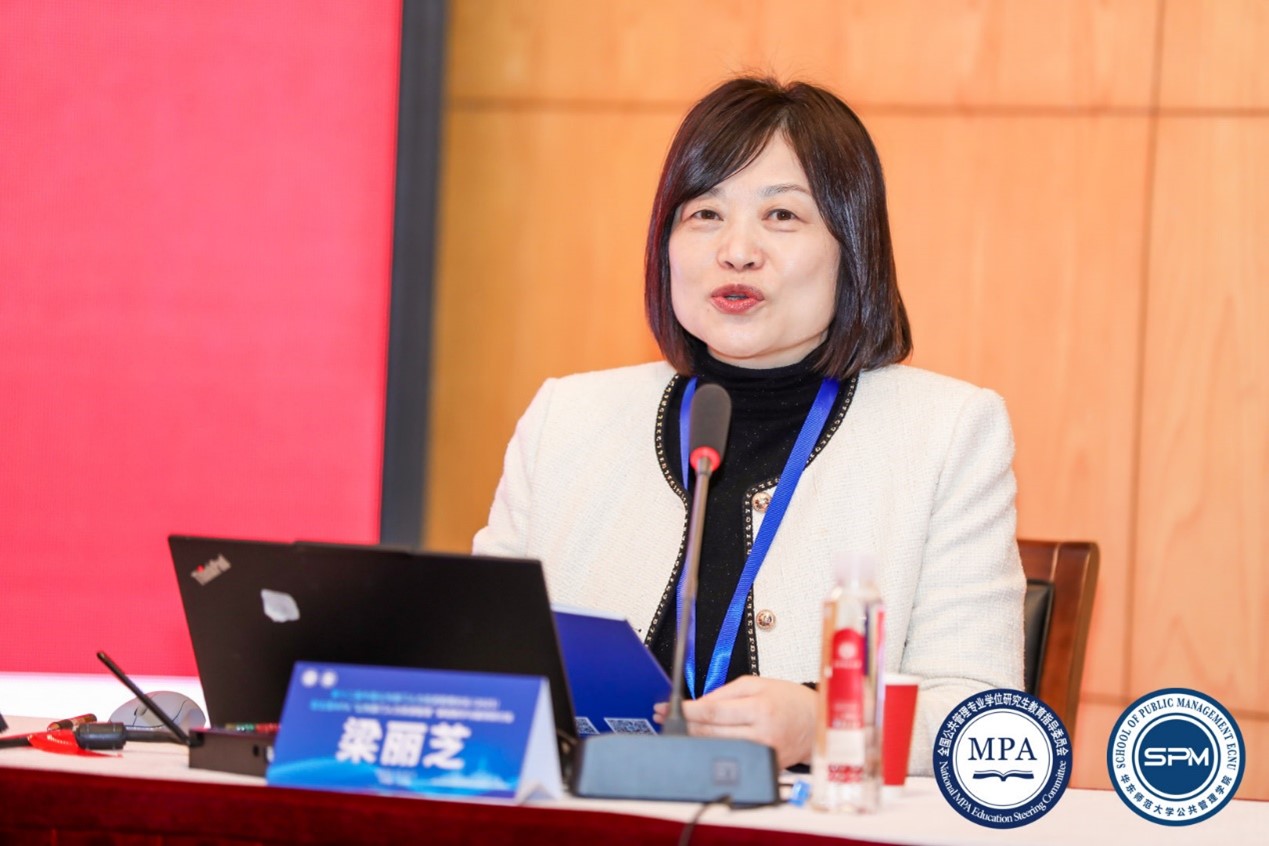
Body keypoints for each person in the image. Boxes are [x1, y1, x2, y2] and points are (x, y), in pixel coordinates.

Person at [473, 76, 1024, 773]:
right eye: (704, 213)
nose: (736, 250)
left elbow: (987, 721)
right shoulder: (567, 419)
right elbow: (476, 660)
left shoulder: (946, 434)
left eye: (782, 215)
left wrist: (823, 723)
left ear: (852, 247)